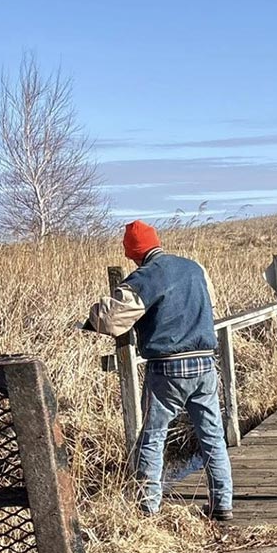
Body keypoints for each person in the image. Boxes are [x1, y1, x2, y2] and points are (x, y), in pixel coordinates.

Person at [87, 220, 234, 520]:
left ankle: (147, 509)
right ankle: (223, 504)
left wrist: (91, 319)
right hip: (206, 363)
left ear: (131, 252)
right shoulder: (196, 269)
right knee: (212, 436)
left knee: (153, 438)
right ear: (157, 242)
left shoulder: (145, 277)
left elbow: (110, 319)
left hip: (167, 369)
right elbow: (211, 305)